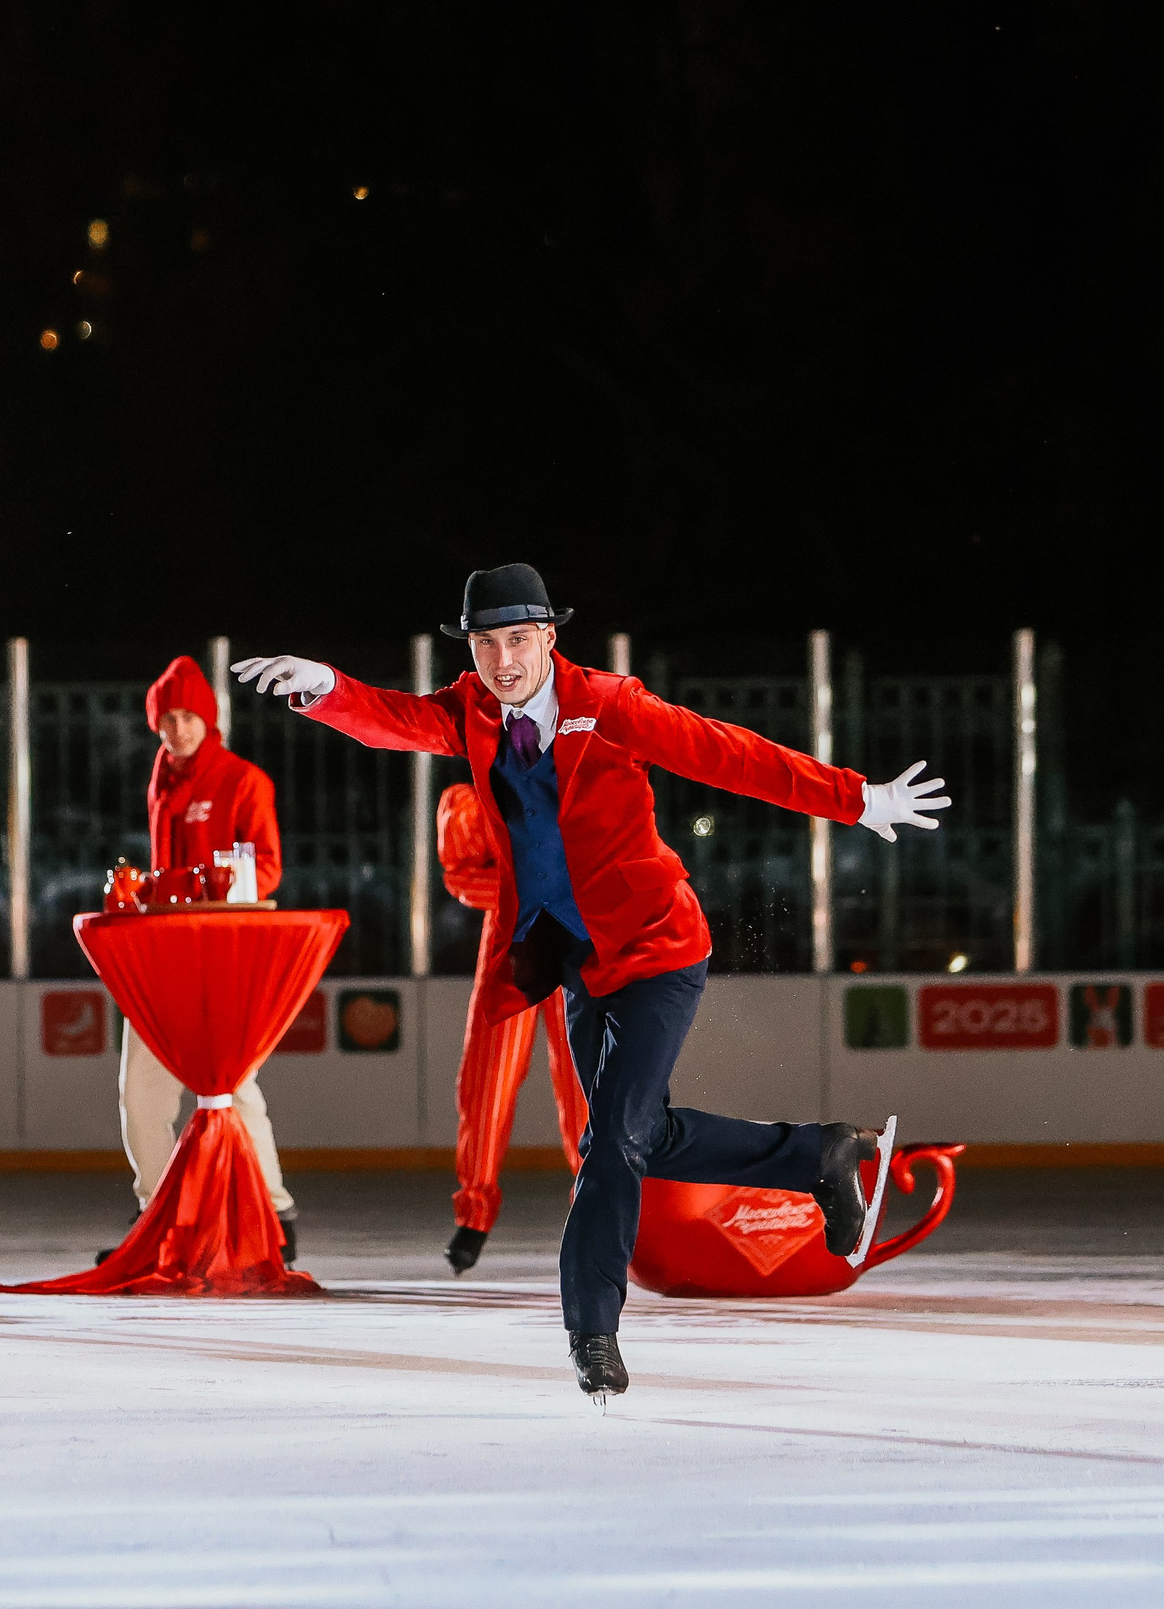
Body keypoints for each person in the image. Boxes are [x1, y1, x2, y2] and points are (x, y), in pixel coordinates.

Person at [235, 564, 948, 1398]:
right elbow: (397, 720)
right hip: (573, 959)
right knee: (637, 1132)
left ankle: (592, 1332)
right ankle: (818, 1153)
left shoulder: (608, 704)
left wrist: (855, 799)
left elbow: (730, 755)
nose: (501, 661)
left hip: (657, 949)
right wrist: (324, 686)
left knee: (610, 1142)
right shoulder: (471, 709)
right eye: (484, 642)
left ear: (548, 638)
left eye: (516, 640)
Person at [108, 656, 294, 1262]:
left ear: (209, 719)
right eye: (168, 719)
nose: (178, 729)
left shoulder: (243, 781)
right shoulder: (162, 780)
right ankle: (157, 1216)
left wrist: (212, 885)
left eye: (189, 716)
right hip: (163, 957)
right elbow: (168, 876)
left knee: (237, 1090)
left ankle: (278, 1214)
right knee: (141, 1096)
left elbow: (267, 870)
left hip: (221, 958)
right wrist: (147, 892)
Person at [437, 781, 585, 1275]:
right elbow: (459, 875)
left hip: (574, 939)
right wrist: (527, 890)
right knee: (486, 1084)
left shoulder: (580, 768)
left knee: (585, 1081)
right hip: (511, 942)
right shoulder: (477, 792)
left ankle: (597, 1203)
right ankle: (473, 1213)